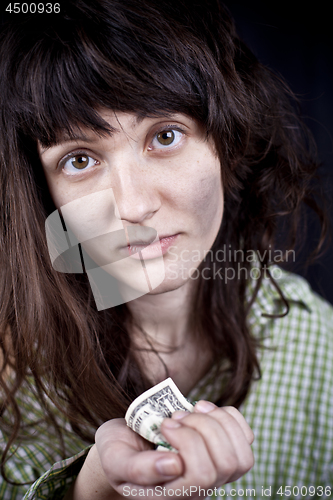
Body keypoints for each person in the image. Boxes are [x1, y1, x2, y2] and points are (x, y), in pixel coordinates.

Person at [0, 0, 332, 499]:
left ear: (226, 140)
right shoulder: (14, 377)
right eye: (80, 159)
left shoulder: (322, 355)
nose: (132, 206)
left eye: (165, 135)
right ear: (45, 194)